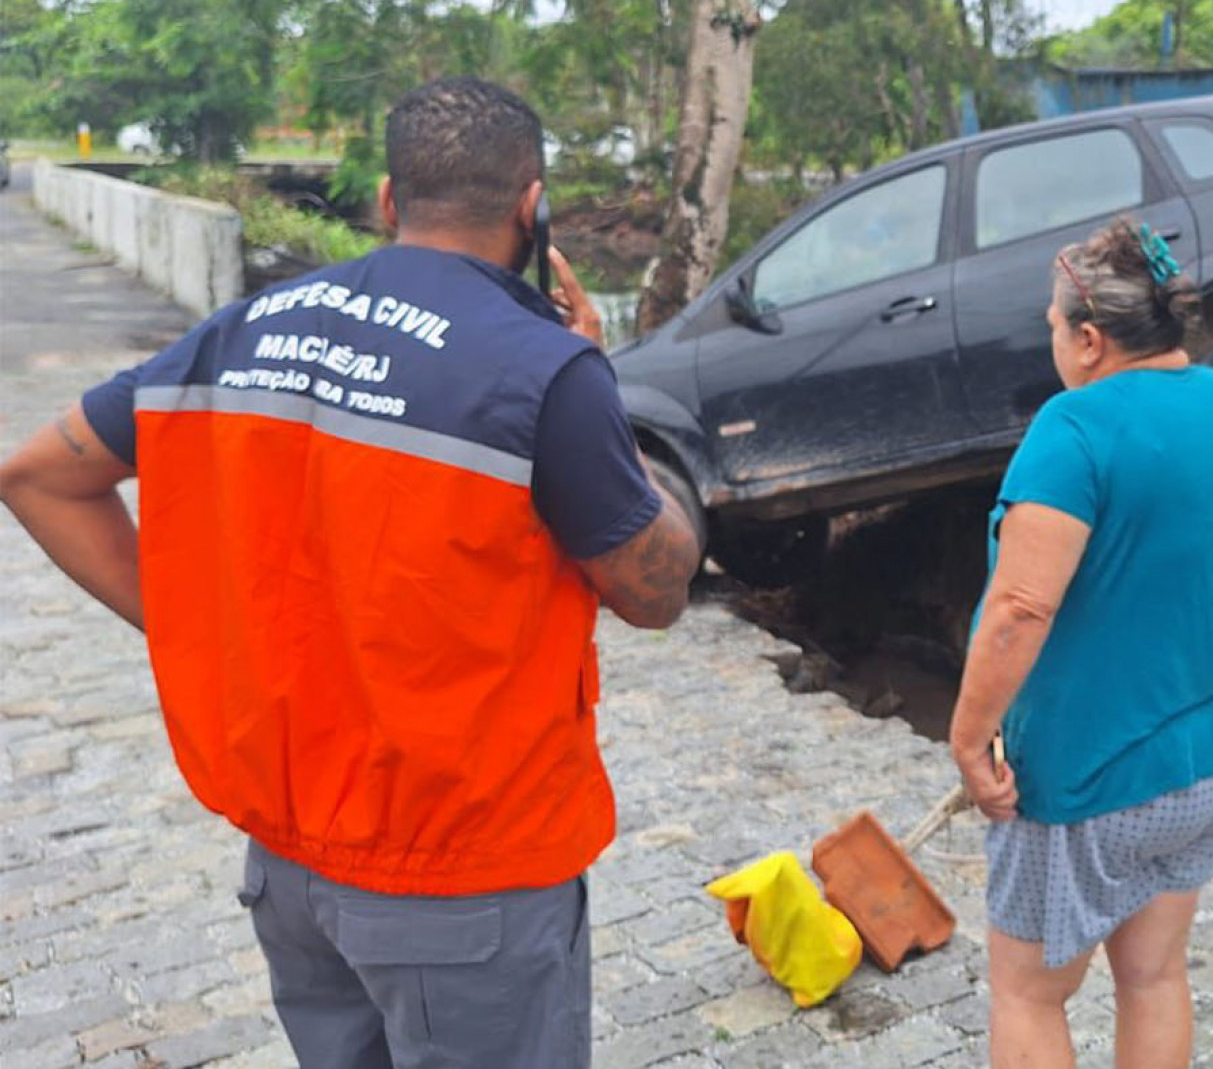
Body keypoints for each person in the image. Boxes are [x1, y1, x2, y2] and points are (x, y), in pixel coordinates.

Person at [0, 76, 702, 1068]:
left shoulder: (249, 327)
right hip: (468, 881)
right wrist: (602, 393)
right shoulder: (544, 366)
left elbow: (39, 476)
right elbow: (654, 587)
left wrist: (205, 630)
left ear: (387, 199)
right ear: (531, 206)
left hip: (290, 871)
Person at [949, 216, 1213, 1068]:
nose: (1054, 344)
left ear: (1092, 339)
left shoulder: (1073, 430)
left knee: (1029, 992)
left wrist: (968, 742)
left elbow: (1020, 608)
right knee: (1151, 976)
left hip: (1092, 773)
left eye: (1053, 326)